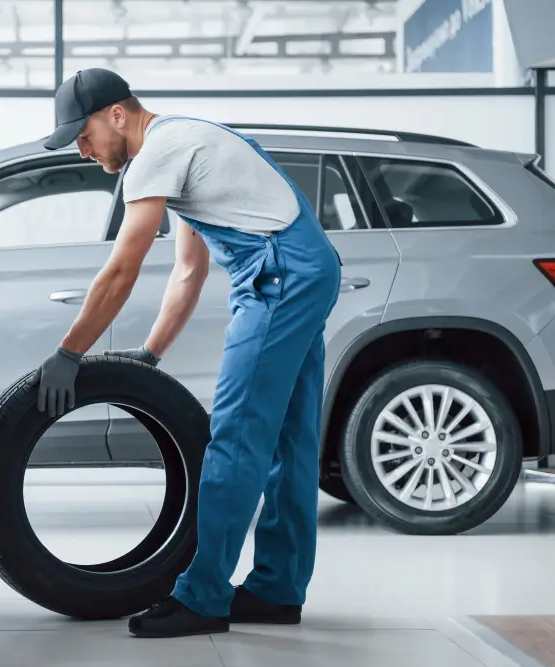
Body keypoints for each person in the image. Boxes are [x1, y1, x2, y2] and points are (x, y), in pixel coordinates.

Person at [32, 68, 342, 639]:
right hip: (305, 266)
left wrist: (69, 352)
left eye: (84, 134)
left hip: (278, 276)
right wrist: (151, 353)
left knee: (237, 435)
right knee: (290, 437)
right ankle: (278, 589)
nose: (83, 149)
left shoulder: (154, 156)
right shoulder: (186, 142)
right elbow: (188, 271)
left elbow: (123, 268)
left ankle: (202, 599)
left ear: (117, 115)